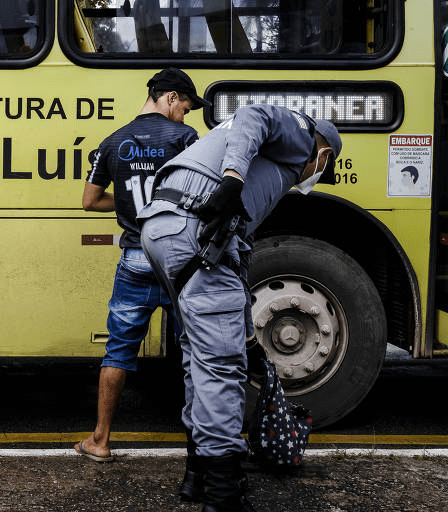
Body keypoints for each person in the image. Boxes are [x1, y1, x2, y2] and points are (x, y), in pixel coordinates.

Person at [138, 104, 342, 512]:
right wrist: (231, 180)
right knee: (221, 367)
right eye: (325, 169)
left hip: (165, 229)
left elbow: (239, 251)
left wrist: (248, 335)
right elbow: (254, 115)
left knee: (200, 358)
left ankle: (197, 475)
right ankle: (223, 493)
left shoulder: (263, 171)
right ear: (323, 156)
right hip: (196, 231)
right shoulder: (302, 136)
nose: (316, 176)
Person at [74, 68, 210, 463]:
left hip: (135, 257)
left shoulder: (113, 142)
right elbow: (200, 193)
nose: (185, 116)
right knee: (195, 351)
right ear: (169, 98)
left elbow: (89, 200)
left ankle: (99, 441)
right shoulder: (184, 139)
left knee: (118, 351)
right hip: (178, 262)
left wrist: (131, 210)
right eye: (184, 107)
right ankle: (203, 446)